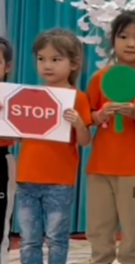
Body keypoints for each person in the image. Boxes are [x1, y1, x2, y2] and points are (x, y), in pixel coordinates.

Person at [3, 29, 92, 264]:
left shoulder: (78, 98)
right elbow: (16, 137)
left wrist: (79, 123)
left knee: (56, 238)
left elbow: (85, 141)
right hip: (27, 178)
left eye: (55, 59)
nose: (47, 65)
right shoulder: (28, 95)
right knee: (29, 238)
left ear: (74, 64)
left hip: (60, 181)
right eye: (41, 59)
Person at [85, 11, 135, 264]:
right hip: (100, 167)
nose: (130, 43)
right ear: (113, 40)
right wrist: (100, 115)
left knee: (133, 228)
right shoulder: (99, 78)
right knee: (98, 227)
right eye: (124, 36)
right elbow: (87, 117)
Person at [0, 37, 16, 264]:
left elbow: (20, 134)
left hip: (1, 160)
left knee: (1, 218)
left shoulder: (15, 98)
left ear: (7, 67)